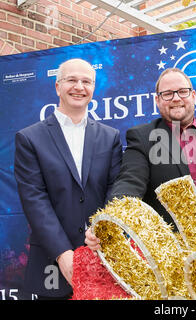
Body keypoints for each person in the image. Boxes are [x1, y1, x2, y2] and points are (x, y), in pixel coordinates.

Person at [86, 67, 196, 249]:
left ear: (193, 95)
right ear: (157, 100)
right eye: (167, 94)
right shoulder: (142, 138)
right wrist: (110, 221)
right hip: (171, 255)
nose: (176, 98)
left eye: (182, 91)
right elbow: (129, 183)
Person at [14, 58, 123, 299]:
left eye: (86, 81)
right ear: (57, 87)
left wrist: (102, 233)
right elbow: (34, 199)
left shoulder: (110, 137)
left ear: (93, 88)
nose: (79, 87)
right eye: (71, 80)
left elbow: (115, 189)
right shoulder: (29, 138)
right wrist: (63, 253)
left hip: (103, 256)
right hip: (52, 261)